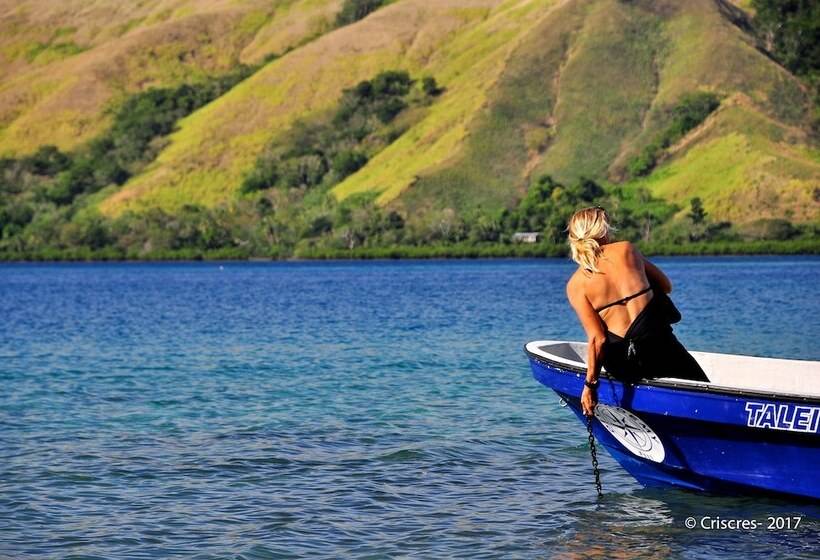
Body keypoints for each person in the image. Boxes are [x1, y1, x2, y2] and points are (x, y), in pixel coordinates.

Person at [564, 206, 709, 417]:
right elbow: (666, 286)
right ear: (602, 230)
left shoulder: (575, 285)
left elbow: (598, 339)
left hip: (623, 363)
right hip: (659, 346)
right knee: (702, 389)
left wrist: (590, 386)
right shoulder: (626, 249)